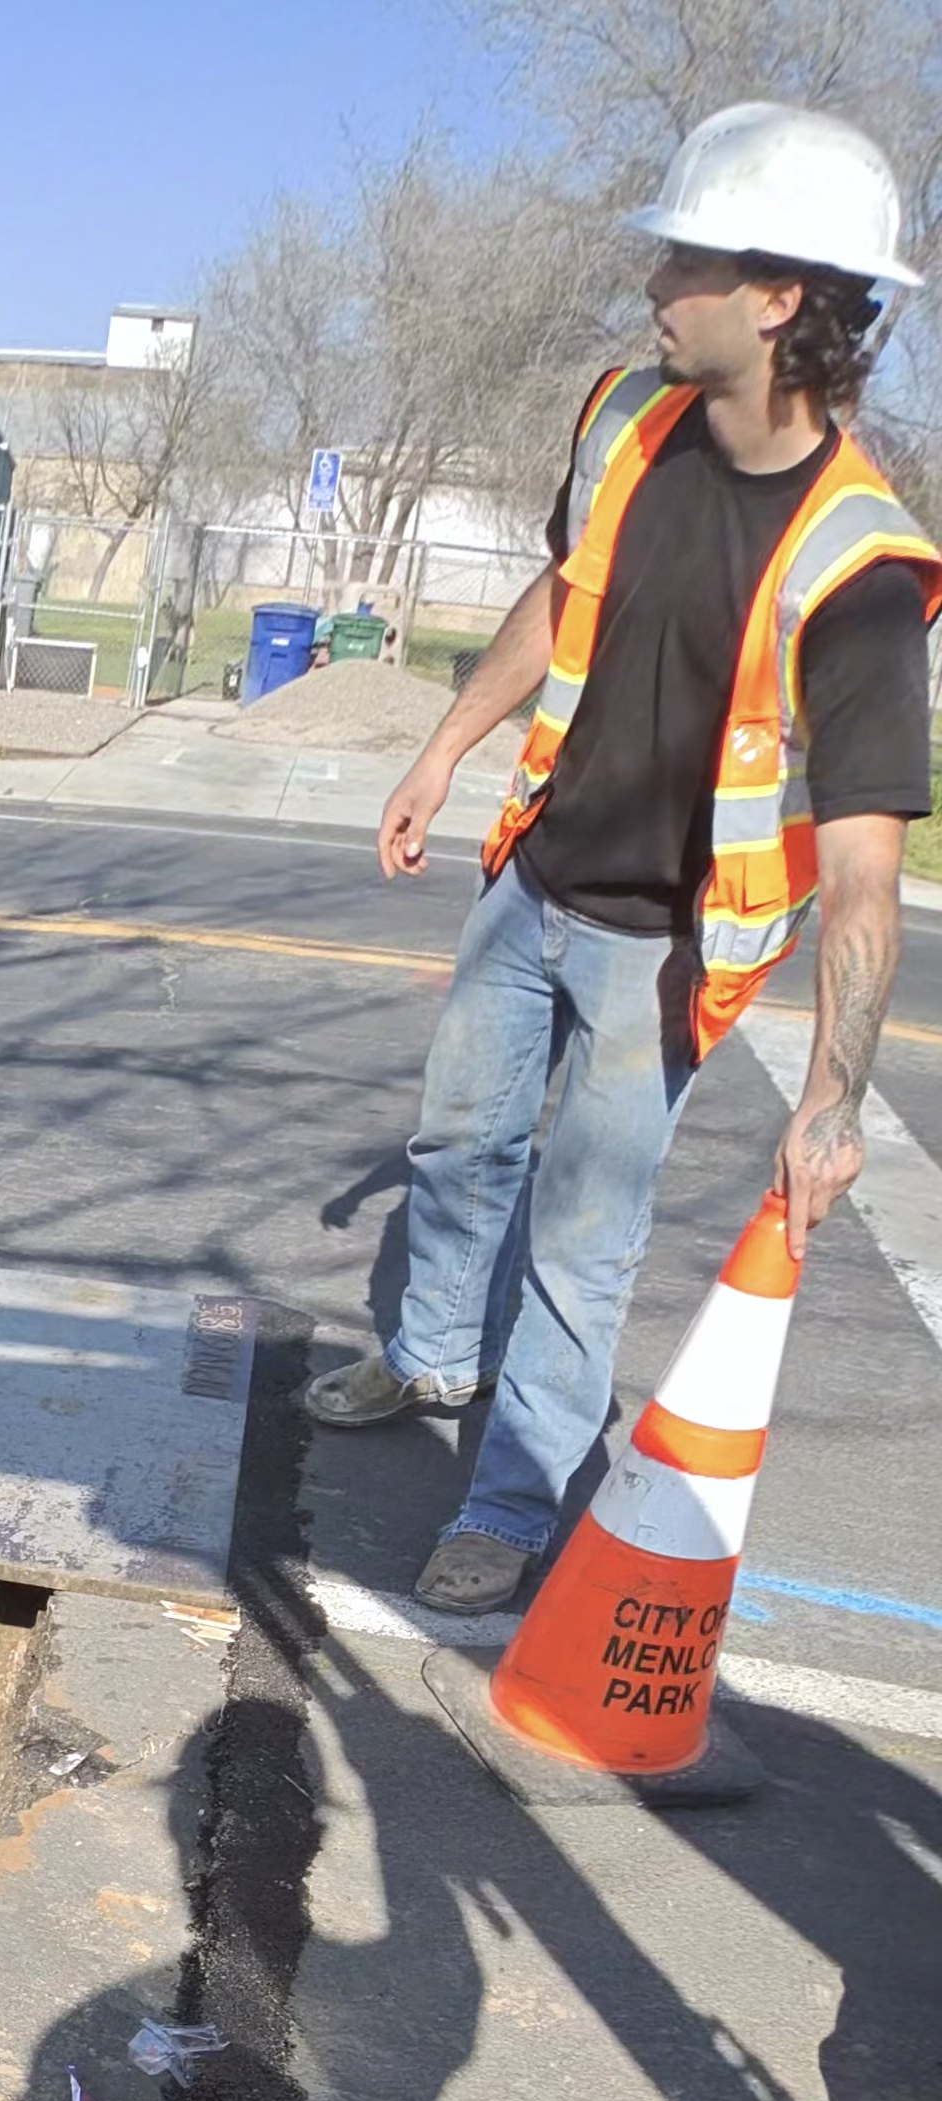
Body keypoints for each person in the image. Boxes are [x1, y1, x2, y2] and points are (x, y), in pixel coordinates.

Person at [311, 103, 940, 1614]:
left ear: (781, 297)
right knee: (459, 1149)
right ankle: (430, 1358)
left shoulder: (859, 567)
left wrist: (834, 1101)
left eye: (687, 259)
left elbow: (860, 876)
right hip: (533, 881)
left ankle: (516, 1502)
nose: (656, 283)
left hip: (661, 951)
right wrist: (448, 744)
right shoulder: (624, 419)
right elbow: (561, 585)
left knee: (585, 1238)